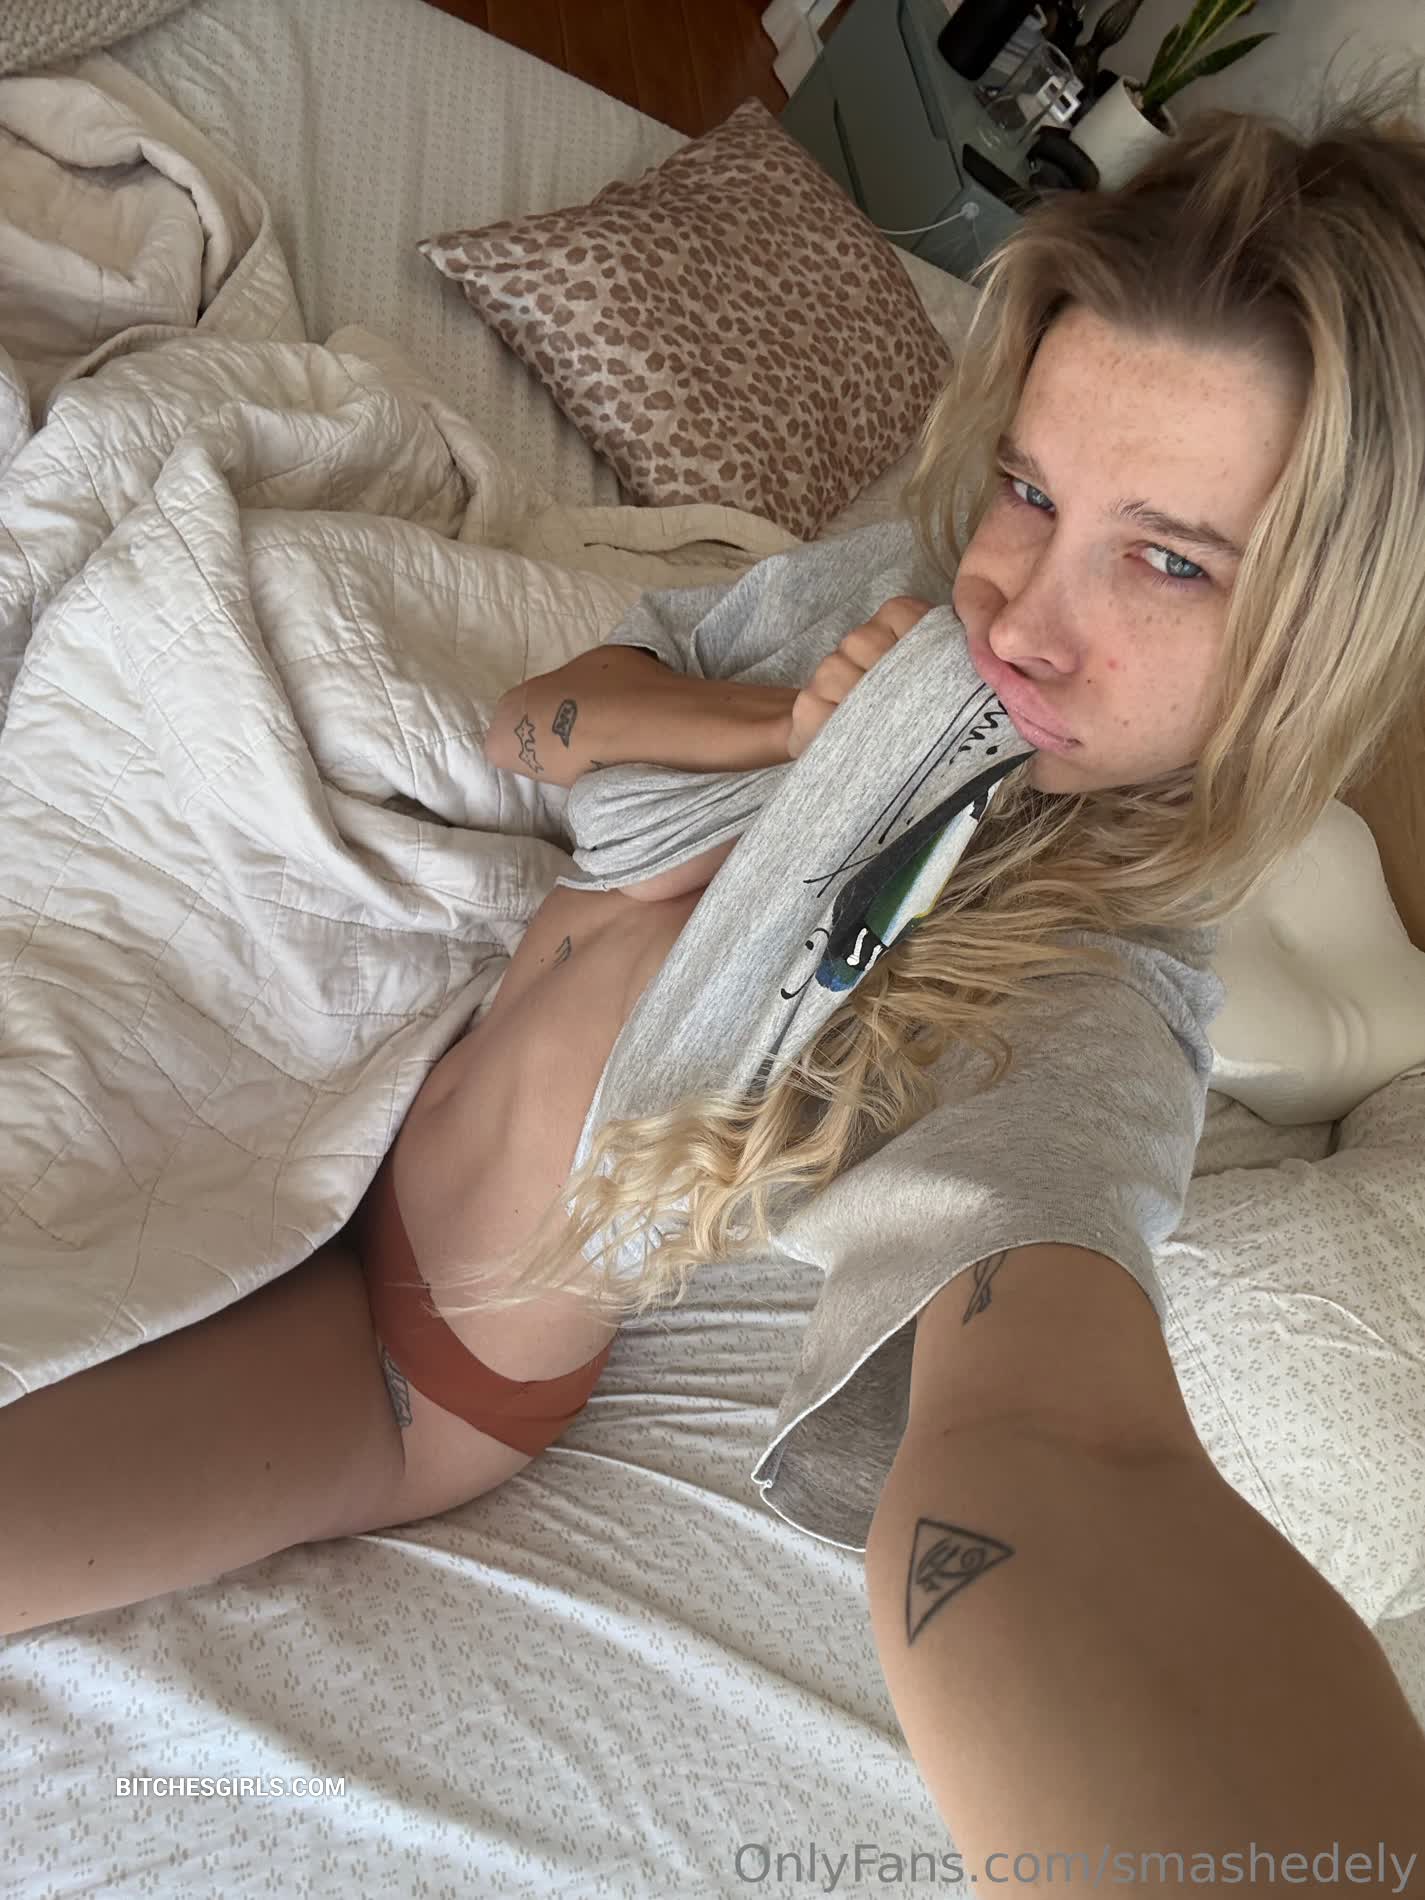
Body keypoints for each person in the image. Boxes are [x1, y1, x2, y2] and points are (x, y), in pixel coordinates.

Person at [5, 85, 1425, 1871]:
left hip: (399, 1358)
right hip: (355, 1063)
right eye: (1032, 490)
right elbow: (539, 724)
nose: (1021, 615)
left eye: (1167, 559)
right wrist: (776, 727)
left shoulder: (1084, 983)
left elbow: (1058, 1444)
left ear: (1318, 634)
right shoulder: (893, 609)